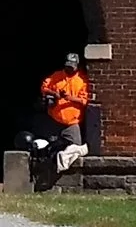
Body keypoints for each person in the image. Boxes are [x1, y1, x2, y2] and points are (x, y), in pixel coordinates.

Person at [35, 54, 93, 184]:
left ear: (77, 66)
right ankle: (43, 172)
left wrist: (69, 98)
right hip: (54, 120)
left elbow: (84, 101)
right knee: (47, 146)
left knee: (76, 147)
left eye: (72, 66)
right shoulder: (56, 76)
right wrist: (54, 94)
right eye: (67, 66)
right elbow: (44, 87)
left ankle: (63, 167)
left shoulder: (82, 80)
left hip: (72, 123)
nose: (69, 69)